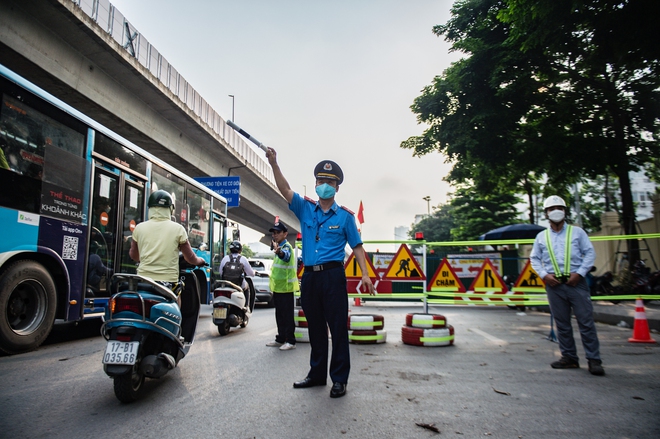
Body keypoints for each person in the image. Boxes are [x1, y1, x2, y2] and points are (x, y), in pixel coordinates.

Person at [266, 148, 375, 399]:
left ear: (337, 188)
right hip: (311, 278)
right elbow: (285, 189)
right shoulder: (306, 209)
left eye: (330, 182)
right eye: (321, 181)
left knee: (337, 328)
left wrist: (366, 275)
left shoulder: (346, 218)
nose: (324, 185)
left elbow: (357, 247)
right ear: (315, 183)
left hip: (333, 276)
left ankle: (339, 379)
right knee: (315, 328)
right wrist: (274, 164)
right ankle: (316, 375)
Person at [530, 195, 604, 376]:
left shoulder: (577, 232)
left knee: (585, 322)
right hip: (554, 285)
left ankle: (594, 360)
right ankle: (569, 357)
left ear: (565, 211)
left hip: (576, 283)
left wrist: (579, 273)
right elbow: (534, 259)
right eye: (551, 208)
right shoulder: (541, 236)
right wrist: (545, 275)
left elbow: (589, 254)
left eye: (559, 208)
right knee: (562, 324)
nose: (556, 211)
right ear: (546, 213)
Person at [129, 190, 206, 307]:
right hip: (168, 283)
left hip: (143, 280)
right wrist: (200, 261)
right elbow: (190, 258)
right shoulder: (178, 229)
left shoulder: (139, 228)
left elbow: (134, 255)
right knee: (176, 309)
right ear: (170, 209)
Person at [265, 220, 299, 351]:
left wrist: (279, 252)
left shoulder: (286, 248)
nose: (275, 235)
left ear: (285, 234)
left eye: (278, 232)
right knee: (279, 315)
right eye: (273, 233)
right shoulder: (278, 247)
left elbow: (285, 256)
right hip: (278, 288)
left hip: (286, 288)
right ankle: (280, 338)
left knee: (287, 316)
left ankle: (290, 341)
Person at [219, 240, 255, 308]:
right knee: (247, 287)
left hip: (226, 285)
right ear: (240, 249)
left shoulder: (225, 258)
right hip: (239, 285)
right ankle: (246, 306)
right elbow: (251, 273)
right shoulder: (243, 259)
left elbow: (221, 273)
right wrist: (254, 272)